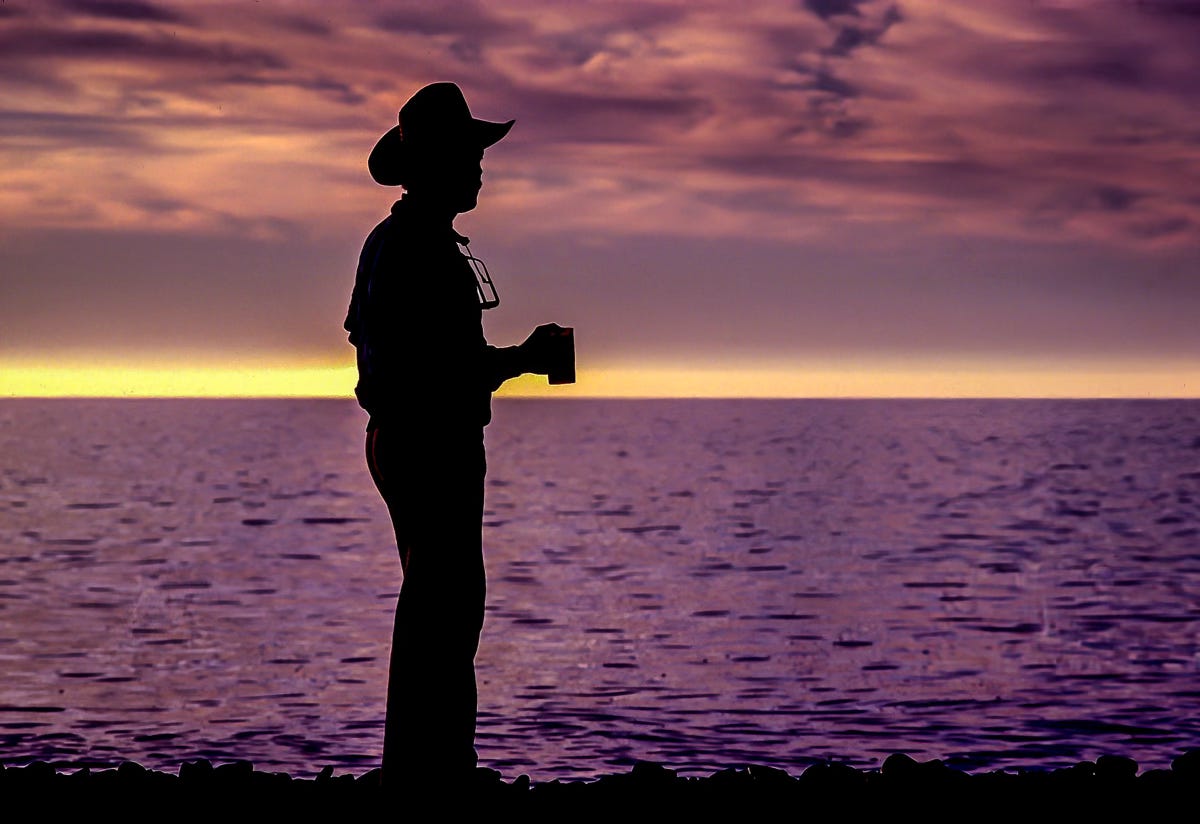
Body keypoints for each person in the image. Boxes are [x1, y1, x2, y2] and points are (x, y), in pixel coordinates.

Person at [344, 82, 566, 789]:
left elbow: (374, 340)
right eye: (467, 154)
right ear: (432, 163)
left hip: (400, 436)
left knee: (435, 599)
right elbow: (446, 365)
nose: (478, 167)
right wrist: (524, 359)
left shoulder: (395, 240)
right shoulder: (422, 248)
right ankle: (434, 771)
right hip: (429, 442)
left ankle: (424, 765)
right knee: (445, 604)